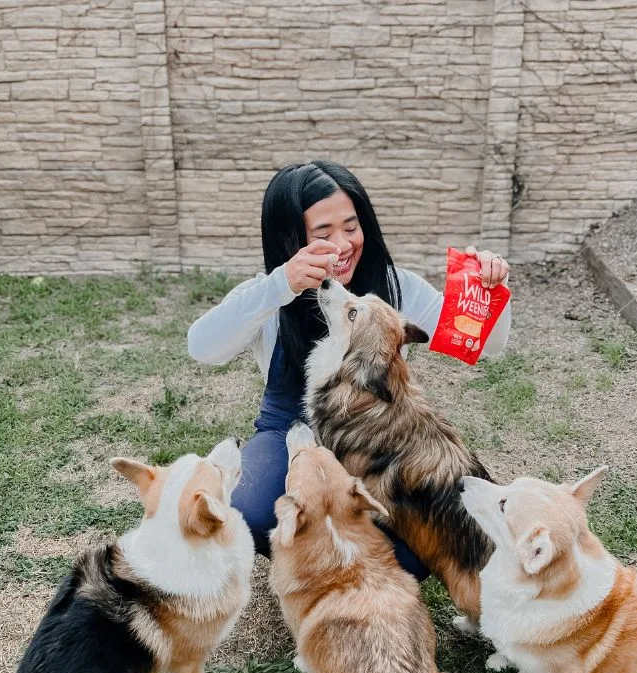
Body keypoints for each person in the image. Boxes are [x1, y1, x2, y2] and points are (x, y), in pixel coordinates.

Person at [187, 160, 512, 579]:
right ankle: (313, 555)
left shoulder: (397, 286)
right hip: (292, 430)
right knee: (248, 504)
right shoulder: (268, 292)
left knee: (413, 558)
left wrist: (490, 291)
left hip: (377, 443)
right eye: (322, 234)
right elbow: (202, 347)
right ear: (291, 238)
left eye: (351, 227)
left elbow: (487, 347)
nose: (342, 244)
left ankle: (358, 559)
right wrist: (280, 284)